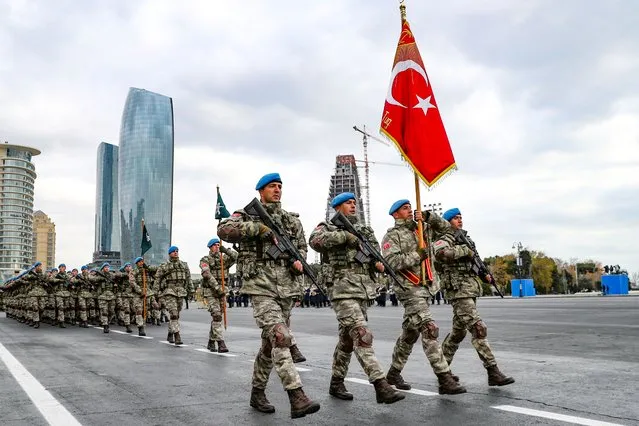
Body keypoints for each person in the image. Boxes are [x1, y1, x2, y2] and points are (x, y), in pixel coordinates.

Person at [217, 172, 320, 419]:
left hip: (286, 287)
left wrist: (298, 260)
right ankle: (297, 396)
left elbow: (302, 247)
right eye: (272, 186)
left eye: (279, 186)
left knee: (269, 345)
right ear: (260, 191)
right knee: (280, 336)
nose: (277, 190)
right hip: (260, 285)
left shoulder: (291, 220)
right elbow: (223, 229)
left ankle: (257, 392)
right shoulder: (247, 214)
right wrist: (257, 228)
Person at [309, 192, 405, 404]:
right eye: (348, 203)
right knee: (362, 335)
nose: (353, 206)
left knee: (347, 340)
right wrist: (346, 236)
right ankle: (381, 385)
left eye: (354, 203)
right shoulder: (327, 227)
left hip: (362, 290)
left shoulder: (365, 230)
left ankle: (336, 382)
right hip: (341, 289)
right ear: (337, 207)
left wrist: (378, 264)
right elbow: (314, 241)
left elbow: (373, 255)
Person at [381, 199, 466, 395]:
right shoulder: (392, 236)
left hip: (426, 286)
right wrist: (416, 256)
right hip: (408, 288)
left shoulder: (423, 228)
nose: (409, 210)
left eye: (410, 207)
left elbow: (448, 231)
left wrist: (429, 217)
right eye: (405, 208)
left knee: (410, 333)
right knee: (429, 328)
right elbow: (391, 262)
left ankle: (393, 373)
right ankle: (444, 377)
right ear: (395, 214)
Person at [435, 208, 515, 387]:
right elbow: (441, 254)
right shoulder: (443, 239)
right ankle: (493, 371)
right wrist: (465, 250)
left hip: (469, 289)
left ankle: (443, 370)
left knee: (458, 333)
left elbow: (474, 261)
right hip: (458, 290)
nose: (459, 220)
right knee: (478, 328)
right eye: (455, 218)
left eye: (460, 217)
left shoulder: (467, 239)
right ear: (447, 222)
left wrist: (483, 274)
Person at [200, 238, 238, 353]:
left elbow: (237, 257)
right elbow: (206, 274)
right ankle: (221, 343)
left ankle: (211, 341)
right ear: (210, 247)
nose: (217, 247)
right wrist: (217, 288)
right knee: (216, 315)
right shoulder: (205, 259)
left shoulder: (224, 259)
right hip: (211, 291)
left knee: (218, 317)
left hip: (222, 291)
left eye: (218, 245)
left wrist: (226, 250)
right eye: (215, 245)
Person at [156, 246, 193, 345]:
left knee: (176, 315)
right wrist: (156, 294)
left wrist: (191, 290)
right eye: (173, 251)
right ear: (169, 254)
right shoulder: (164, 266)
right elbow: (157, 280)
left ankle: (170, 333)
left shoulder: (183, 265)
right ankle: (177, 335)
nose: (176, 253)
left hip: (181, 291)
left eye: (177, 251)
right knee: (173, 314)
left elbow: (188, 278)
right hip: (169, 291)